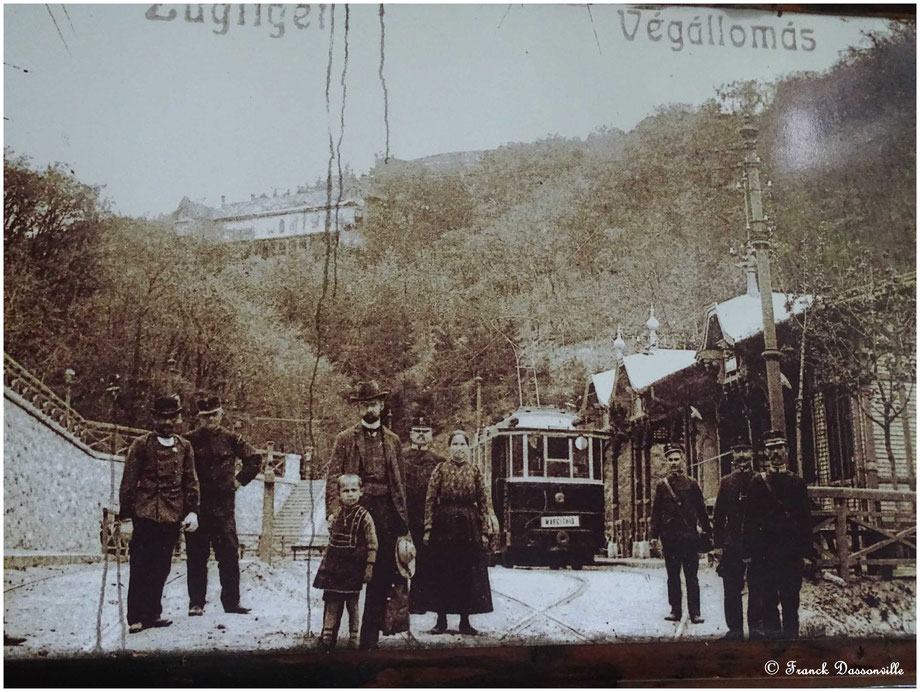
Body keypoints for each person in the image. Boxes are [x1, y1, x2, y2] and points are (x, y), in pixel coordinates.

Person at [325, 380, 410, 650]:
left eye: (373, 403)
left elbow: (400, 483)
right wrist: (332, 513)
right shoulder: (345, 439)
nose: (369, 408)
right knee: (344, 575)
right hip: (353, 514)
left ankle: (368, 639)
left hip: (385, 513)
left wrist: (402, 521)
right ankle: (331, 635)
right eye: (364, 404)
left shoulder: (394, 441)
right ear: (358, 408)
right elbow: (332, 479)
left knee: (380, 575)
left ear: (382, 406)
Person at [118, 396, 200, 634]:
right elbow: (128, 483)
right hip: (145, 513)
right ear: (154, 418)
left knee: (162, 567)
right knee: (140, 565)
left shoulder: (185, 447)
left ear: (178, 419)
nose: (167, 422)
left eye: (172, 417)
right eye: (163, 417)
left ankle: (153, 613)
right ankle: (135, 616)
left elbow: (191, 481)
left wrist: (193, 511)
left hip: (172, 515)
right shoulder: (141, 445)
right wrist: (125, 518)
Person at [185, 395, 262, 616]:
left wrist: (238, 481)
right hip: (197, 507)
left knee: (228, 556)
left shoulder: (232, 439)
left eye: (214, 415)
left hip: (223, 509)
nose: (210, 420)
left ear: (221, 415)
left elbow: (255, 459)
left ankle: (231, 602)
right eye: (205, 416)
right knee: (196, 557)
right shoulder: (188, 440)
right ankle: (196, 603)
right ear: (200, 417)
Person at [744, 431, 813, 639]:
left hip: (790, 555)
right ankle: (776, 649)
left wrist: (808, 554)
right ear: (765, 453)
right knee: (769, 602)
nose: (775, 453)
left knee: (791, 602)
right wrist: (749, 552)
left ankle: (792, 647)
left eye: (779, 448)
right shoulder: (757, 482)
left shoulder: (797, 483)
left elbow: (805, 521)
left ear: (787, 451)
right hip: (765, 555)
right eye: (771, 449)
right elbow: (750, 520)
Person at [423, 430, 493, 635]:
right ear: (449, 447)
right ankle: (441, 620)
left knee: (467, 573)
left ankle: (465, 621)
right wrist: (428, 528)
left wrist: (484, 530)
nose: (459, 448)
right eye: (455, 444)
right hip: (444, 524)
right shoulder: (440, 469)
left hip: (468, 525)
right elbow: (430, 500)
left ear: (468, 448)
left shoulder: (475, 471)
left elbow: (483, 501)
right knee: (442, 571)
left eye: (463, 444)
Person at [313, 474, 378, 651]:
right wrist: (326, 566)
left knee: (352, 604)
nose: (350, 494)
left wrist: (369, 566)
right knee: (332, 601)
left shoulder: (365, 517)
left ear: (361, 492)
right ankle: (328, 637)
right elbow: (331, 543)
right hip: (334, 567)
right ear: (339, 494)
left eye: (354, 490)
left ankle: (354, 638)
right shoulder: (336, 516)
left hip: (353, 569)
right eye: (346, 491)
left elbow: (373, 544)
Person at [650, 444, 712, 625]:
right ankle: (675, 610)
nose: (674, 463)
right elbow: (656, 512)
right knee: (673, 576)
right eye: (670, 460)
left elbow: (701, 511)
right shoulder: (662, 486)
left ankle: (695, 613)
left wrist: (708, 532)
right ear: (666, 462)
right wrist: (653, 536)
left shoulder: (692, 484)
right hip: (670, 538)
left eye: (677, 459)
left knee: (691, 577)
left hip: (689, 537)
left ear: (682, 460)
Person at [712, 436, 761, 640]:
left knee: (757, 587)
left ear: (752, 454)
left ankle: (756, 629)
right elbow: (718, 515)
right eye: (737, 451)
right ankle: (735, 631)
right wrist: (718, 545)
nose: (742, 456)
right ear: (732, 455)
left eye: (745, 451)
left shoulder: (760, 480)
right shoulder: (726, 482)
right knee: (731, 589)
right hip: (732, 544)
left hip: (757, 544)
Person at [401, 417, 444, 615]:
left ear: (431, 435)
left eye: (425, 431)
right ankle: (401, 602)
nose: (420, 434)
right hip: (406, 517)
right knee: (401, 558)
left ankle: (423, 601)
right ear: (410, 434)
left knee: (427, 560)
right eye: (416, 430)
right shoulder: (401, 459)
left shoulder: (438, 462)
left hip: (429, 518)